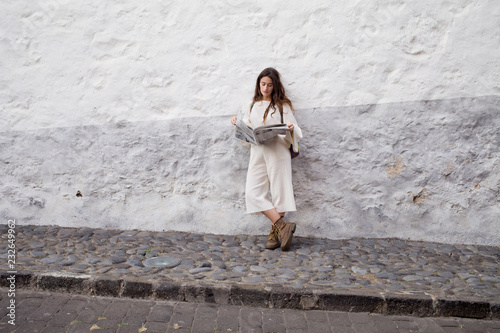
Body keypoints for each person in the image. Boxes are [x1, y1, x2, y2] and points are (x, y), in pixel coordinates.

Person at [231, 67, 303, 251]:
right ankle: (282, 225)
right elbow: (246, 126)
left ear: (275, 86)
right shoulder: (251, 105)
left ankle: (274, 233)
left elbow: (296, 128)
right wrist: (237, 123)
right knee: (253, 192)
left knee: (280, 191)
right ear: (258, 84)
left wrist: (290, 127)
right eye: (263, 84)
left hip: (278, 150)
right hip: (258, 150)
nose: (265, 88)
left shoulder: (282, 106)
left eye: (270, 85)